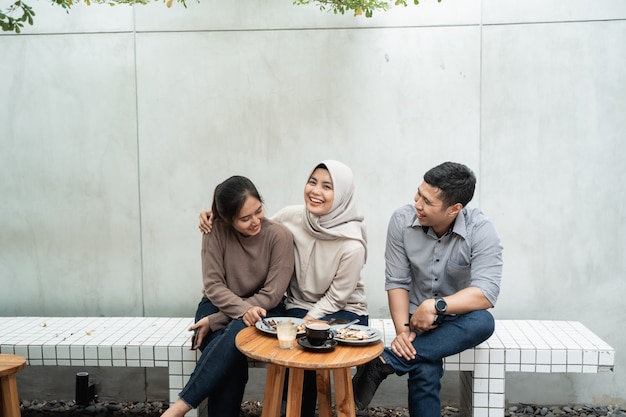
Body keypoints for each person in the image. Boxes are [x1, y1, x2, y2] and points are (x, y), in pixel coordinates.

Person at [199, 160, 368, 417]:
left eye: (327, 186)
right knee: (287, 347)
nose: (315, 191)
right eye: (312, 182)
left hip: (341, 310)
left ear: (343, 194)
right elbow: (257, 226)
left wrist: (307, 322)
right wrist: (214, 215)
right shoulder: (292, 216)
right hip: (298, 307)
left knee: (305, 347)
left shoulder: (352, 244)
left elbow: (335, 298)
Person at [352, 161, 503, 417]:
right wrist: (403, 332)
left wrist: (435, 305)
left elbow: (486, 292)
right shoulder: (402, 220)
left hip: (457, 318)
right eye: (418, 194)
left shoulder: (481, 229)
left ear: (454, 209)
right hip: (415, 322)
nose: (418, 204)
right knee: (425, 367)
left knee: (484, 322)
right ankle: (390, 360)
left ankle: (384, 362)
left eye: (428, 202)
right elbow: (397, 281)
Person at [163, 175, 295, 417]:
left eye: (258, 210)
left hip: (265, 308)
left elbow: (272, 294)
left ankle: (179, 408)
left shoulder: (279, 236)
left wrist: (217, 320)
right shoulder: (215, 230)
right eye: (245, 218)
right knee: (232, 364)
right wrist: (231, 313)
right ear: (227, 218)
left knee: (236, 335)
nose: (255, 221)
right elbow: (213, 285)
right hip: (216, 304)